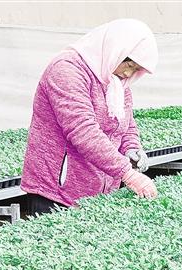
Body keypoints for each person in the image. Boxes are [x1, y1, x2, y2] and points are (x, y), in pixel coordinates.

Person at [21, 19, 159, 216]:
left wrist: (132, 148)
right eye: (128, 64)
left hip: (98, 193)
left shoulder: (116, 79)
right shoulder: (67, 70)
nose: (129, 73)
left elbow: (126, 122)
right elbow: (83, 130)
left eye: (136, 70)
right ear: (115, 50)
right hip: (57, 194)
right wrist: (127, 173)